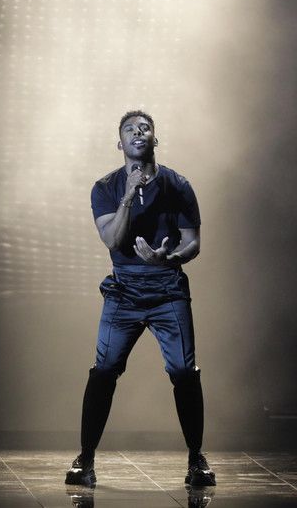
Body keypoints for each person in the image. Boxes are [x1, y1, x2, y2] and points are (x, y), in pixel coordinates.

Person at [65, 110, 216, 488]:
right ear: (119, 144)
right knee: (103, 371)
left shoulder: (178, 185)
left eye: (145, 128)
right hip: (124, 291)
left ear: (155, 140)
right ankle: (85, 459)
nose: (138, 132)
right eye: (130, 129)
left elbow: (193, 241)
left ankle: (196, 459)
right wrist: (129, 196)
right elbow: (112, 239)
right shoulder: (105, 187)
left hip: (167, 289)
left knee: (184, 372)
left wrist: (170, 257)